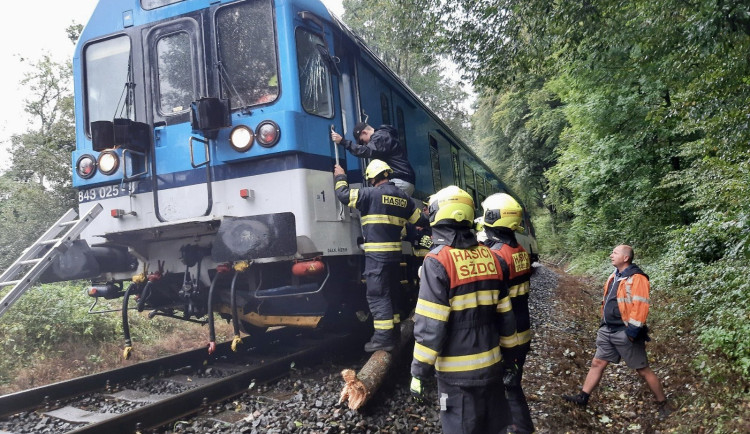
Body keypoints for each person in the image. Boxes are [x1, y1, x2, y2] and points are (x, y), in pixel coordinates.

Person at [410, 185, 519, 434]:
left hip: (456, 375)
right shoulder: (491, 257)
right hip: (492, 364)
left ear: (438, 214)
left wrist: (418, 371)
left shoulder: (437, 261)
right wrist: (511, 357)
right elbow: (506, 314)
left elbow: (430, 325)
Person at [562, 245, 673, 419]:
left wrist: (633, 332)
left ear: (626, 258)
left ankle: (663, 404)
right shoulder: (614, 276)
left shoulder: (638, 278)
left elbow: (641, 306)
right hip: (607, 330)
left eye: (614, 253)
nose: (611, 255)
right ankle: (583, 397)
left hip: (626, 332)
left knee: (642, 370)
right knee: (597, 363)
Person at [333, 159, 423, 352]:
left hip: (376, 256)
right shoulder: (403, 198)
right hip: (395, 256)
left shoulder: (369, 194)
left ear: (372, 178)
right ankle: (396, 333)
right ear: (387, 174)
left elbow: (343, 194)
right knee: (393, 294)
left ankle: (383, 339)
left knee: (378, 296)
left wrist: (340, 176)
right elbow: (419, 219)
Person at [481, 193, 535, 434]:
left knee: (506, 386)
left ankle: (518, 429)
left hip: (506, 332)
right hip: (523, 328)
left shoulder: (496, 255)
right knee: (513, 382)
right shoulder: (520, 250)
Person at [331, 122, 416, 196]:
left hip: (398, 180)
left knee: (377, 204)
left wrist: (343, 142)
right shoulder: (385, 136)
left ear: (364, 132)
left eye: (362, 141)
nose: (364, 144)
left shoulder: (380, 136)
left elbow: (367, 151)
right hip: (403, 180)